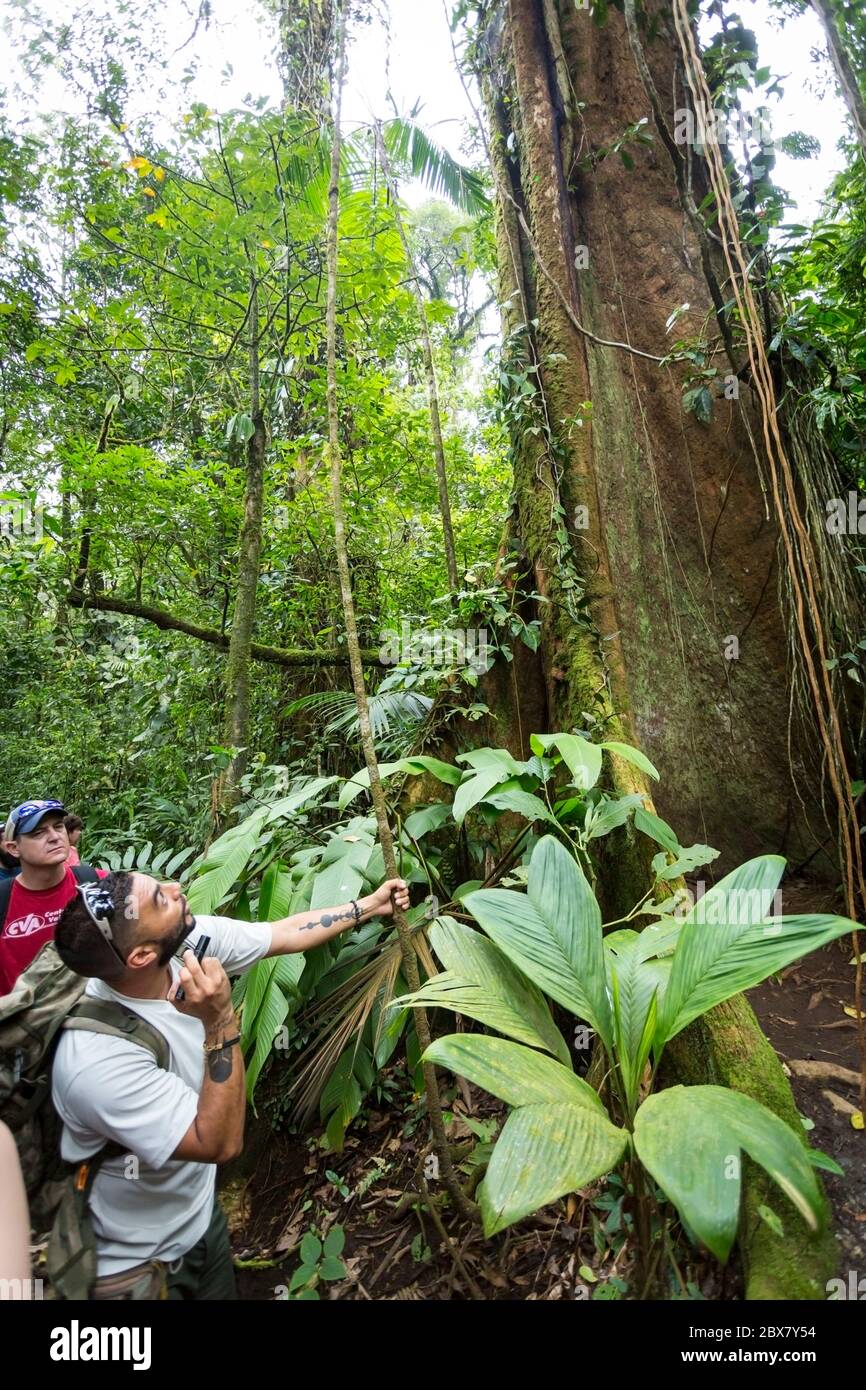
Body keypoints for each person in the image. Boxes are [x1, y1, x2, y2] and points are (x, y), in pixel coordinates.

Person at [51, 868, 410, 1299]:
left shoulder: (181, 943)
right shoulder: (95, 1061)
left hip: (201, 1223)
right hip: (133, 1265)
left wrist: (370, 905)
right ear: (141, 957)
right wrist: (220, 1021)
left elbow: (281, 933)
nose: (176, 889)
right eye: (161, 900)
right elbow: (218, 1143)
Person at [0, 800, 106, 995]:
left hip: (93, 1015)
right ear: (14, 848)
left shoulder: (95, 881)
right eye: (38, 833)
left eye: (58, 827)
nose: (54, 837)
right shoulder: (3, 899)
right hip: (24, 1019)